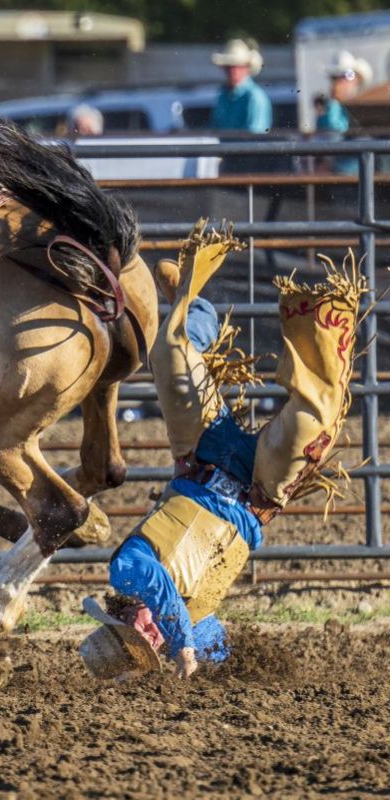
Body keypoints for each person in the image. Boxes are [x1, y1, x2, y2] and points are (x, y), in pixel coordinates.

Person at [80, 222, 364, 681]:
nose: (152, 638)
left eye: (138, 634)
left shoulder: (126, 573)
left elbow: (164, 594)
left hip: (201, 453)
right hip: (260, 491)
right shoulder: (192, 624)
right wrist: (214, 661)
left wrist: (183, 647)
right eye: (148, 647)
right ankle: (331, 313)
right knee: (317, 420)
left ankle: (194, 308)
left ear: (123, 613)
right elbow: (225, 657)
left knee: (171, 350)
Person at [210, 38, 272, 134]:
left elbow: (255, 138)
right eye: (229, 66)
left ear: (247, 67)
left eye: (238, 66)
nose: (232, 70)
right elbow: (215, 128)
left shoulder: (255, 97)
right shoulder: (223, 96)